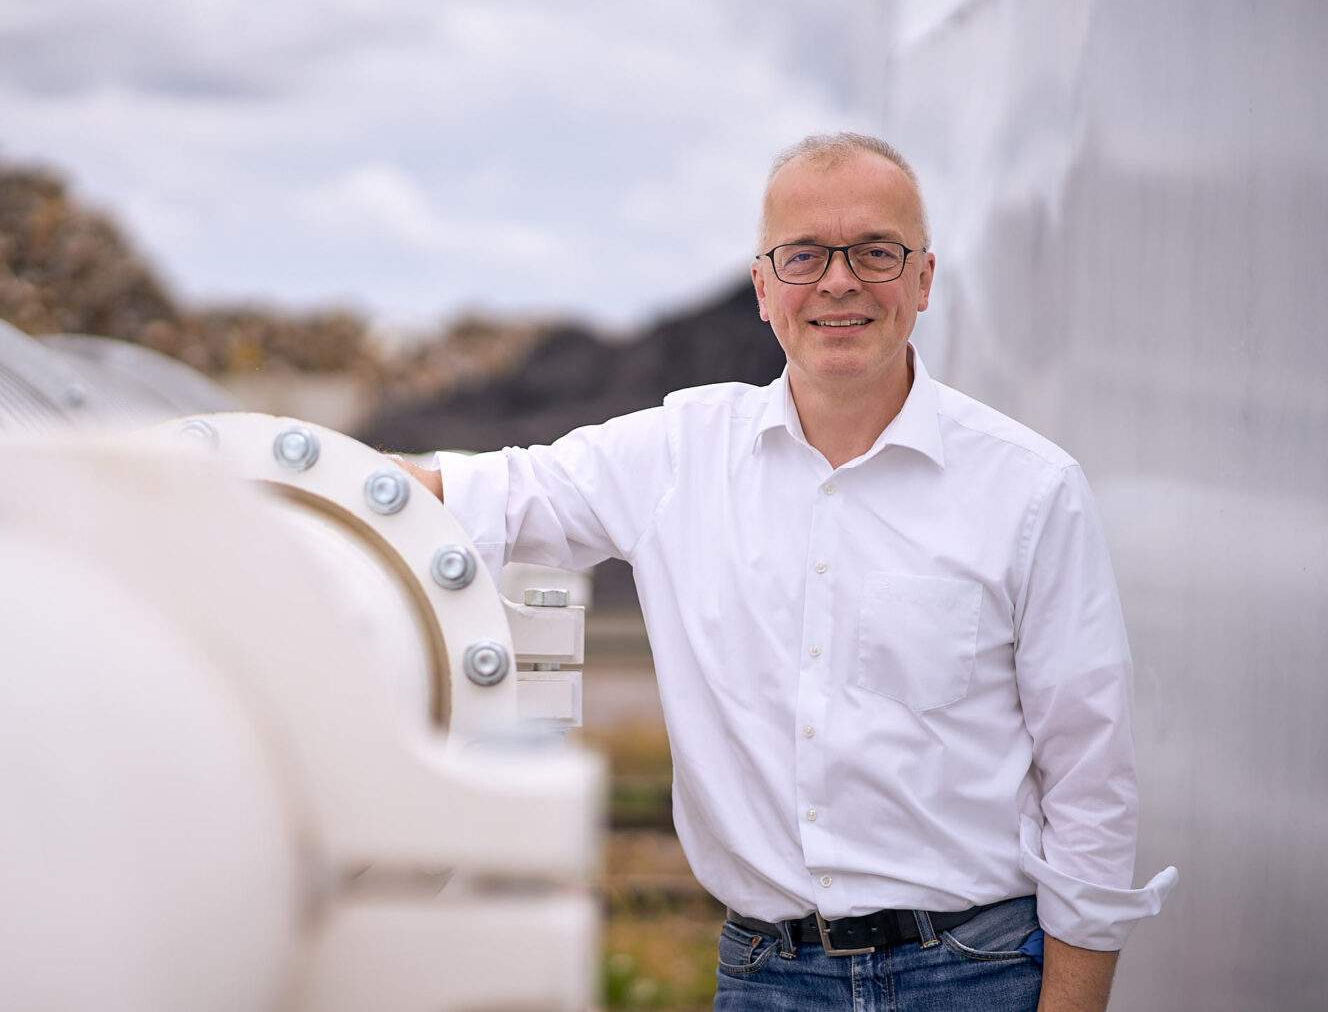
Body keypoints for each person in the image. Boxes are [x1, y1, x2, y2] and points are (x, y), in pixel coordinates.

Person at [395, 133, 1176, 1011]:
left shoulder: (1030, 488)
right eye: (803, 255)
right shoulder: (676, 455)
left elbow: (1091, 782)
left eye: (876, 251)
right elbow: (474, 493)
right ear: (763, 288)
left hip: (977, 974)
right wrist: (248, 470)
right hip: (768, 982)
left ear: (923, 280)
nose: (838, 281)